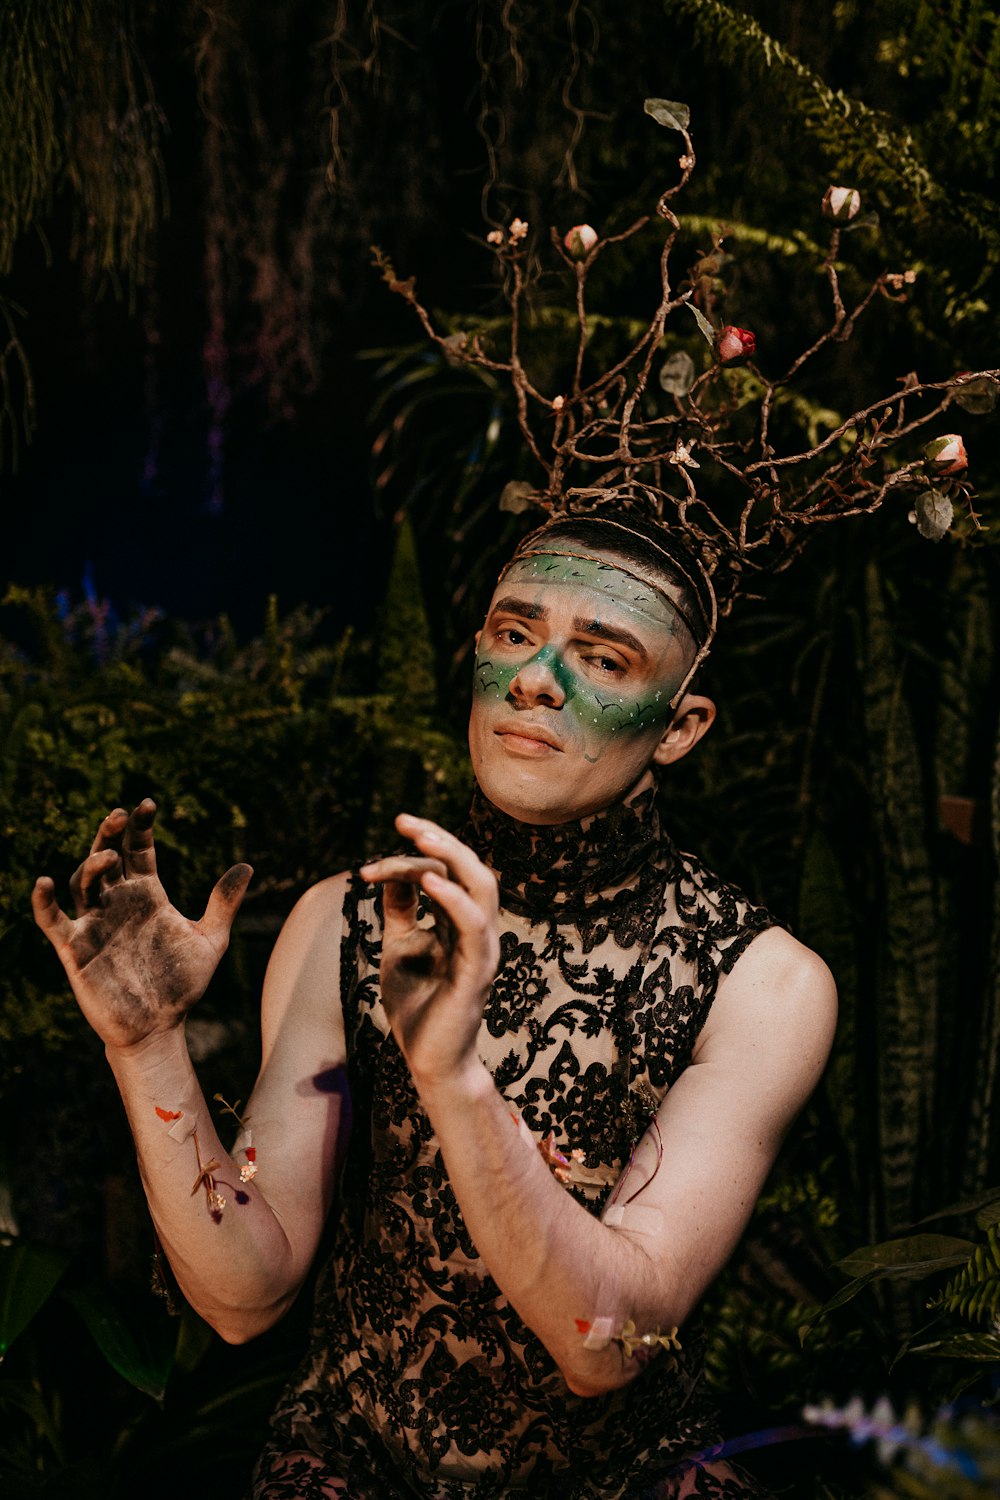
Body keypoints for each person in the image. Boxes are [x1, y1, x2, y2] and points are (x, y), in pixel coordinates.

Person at [32, 510, 837, 1499]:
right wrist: (147, 1044)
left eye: (605, 657)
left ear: (678, 726)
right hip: (354, 1469)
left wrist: (453, 1076)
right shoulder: (344, 922)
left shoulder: (760, 982)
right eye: (513, 632)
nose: (537, 679)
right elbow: (246, 1296)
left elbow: (606, 1347)